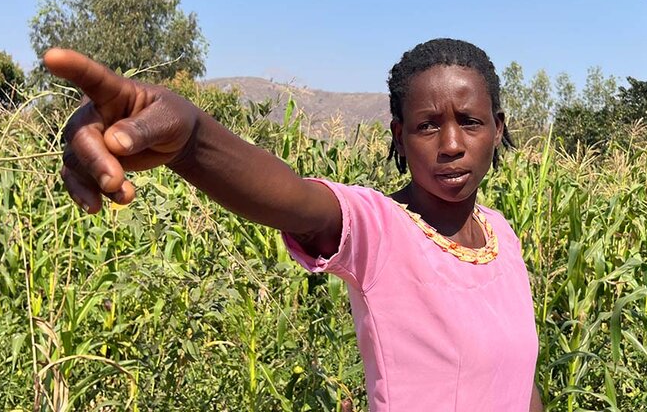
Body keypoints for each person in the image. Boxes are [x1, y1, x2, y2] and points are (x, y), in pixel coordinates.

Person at [48, 38, 544, 411]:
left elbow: (520, 382)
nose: (452, 143)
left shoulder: (502, 235)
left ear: (497, 129)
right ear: (399, 135)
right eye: (428, 125)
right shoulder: (383, 229)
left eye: (471, 122)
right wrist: (192, 140)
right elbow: (295, 200)